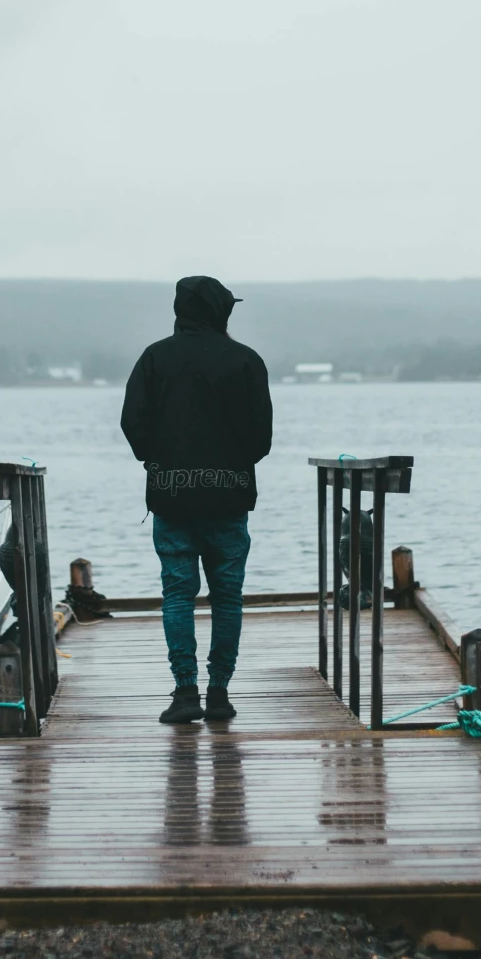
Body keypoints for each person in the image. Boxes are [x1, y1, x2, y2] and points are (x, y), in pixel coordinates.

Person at [120, 275, 273, 726]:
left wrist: (160, 459)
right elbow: (261, 438)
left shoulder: (154, 359)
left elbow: (133, 423)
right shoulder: (246, 360)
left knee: (177, 595)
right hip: (229, 500)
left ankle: (185, 692)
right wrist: (232, 463)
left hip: (171, 498)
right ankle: (219, 695)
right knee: (227, 598)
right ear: (219, 311)